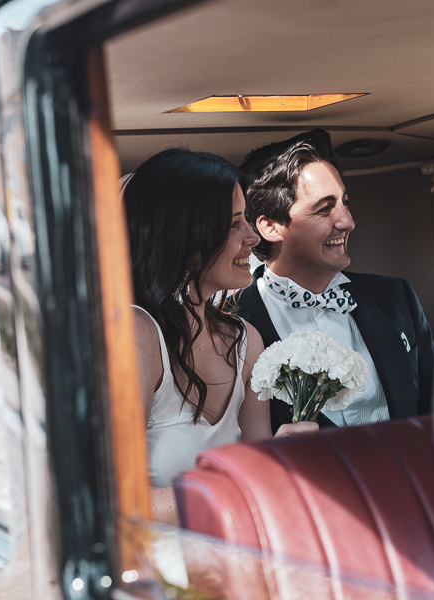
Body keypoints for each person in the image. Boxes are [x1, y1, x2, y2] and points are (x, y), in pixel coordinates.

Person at [124, 148, 316, 524]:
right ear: (186, 236)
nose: (251, 237)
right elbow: (116, 504)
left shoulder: (246, 340)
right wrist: (231, 489)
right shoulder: (136, 334)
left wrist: (281, 456)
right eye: (233, 224)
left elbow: (257, 479)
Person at [232, 129, 434, 433]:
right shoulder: (231, 323)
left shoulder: (396, 297)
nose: (348, 221)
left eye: (345, 203)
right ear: (270, 226)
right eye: (324, 209)